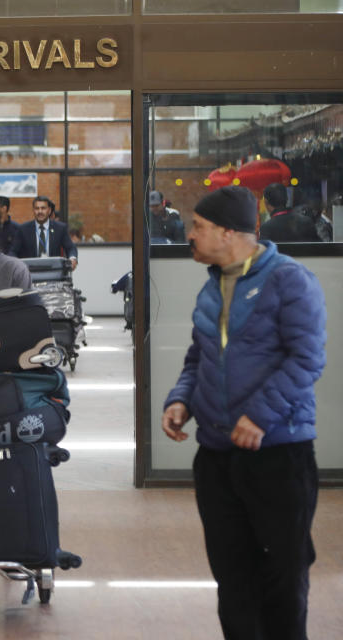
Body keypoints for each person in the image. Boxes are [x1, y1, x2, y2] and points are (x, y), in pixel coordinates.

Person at [161, 185, 325, 640]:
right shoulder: (212, 287)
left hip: (278, 454)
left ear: (228, 232)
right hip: (216, 457)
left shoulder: (290, 279)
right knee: (232, 581)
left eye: (198, 227)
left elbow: (306, 359)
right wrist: (180, 400)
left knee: (281, 578)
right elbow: (199, 357)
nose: (189, 235)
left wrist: (259, 416)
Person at [10, 195, 79, 270]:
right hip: (30, 273)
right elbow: (13, 251)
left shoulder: (60, 228)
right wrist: (15, 263)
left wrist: (72, 258)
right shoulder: (23, 229)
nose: (40, 211)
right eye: (37, 208)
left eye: (43, 208)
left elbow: (70, 247)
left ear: (49, 210)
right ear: (33, 210)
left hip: (54, 272)